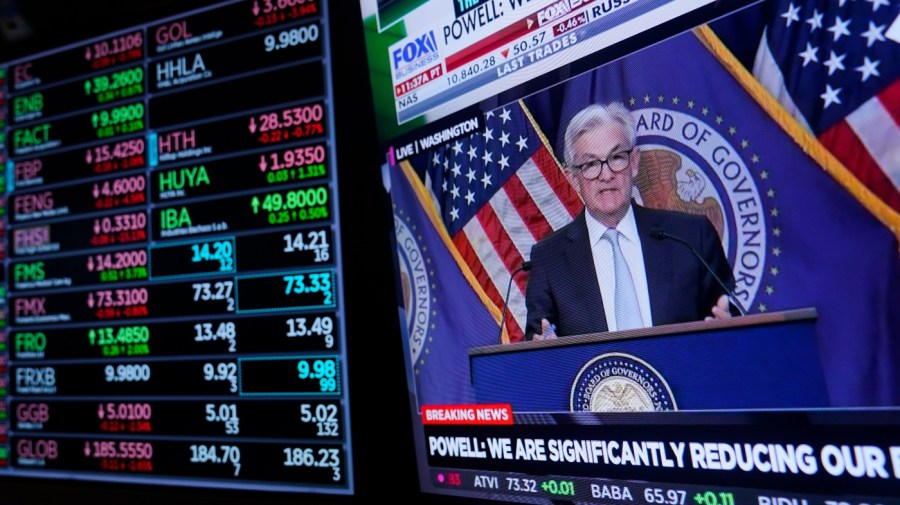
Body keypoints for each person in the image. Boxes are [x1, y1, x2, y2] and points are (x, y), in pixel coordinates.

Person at [524, 101, 735, 340]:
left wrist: (732, 330)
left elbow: (731, 317)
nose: (606, 175)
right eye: (591, 164)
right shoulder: (549, 259)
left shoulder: (691, 237)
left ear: (634, 162)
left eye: (616, 157)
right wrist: (543, 354)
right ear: (573, 178)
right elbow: (537, 345)